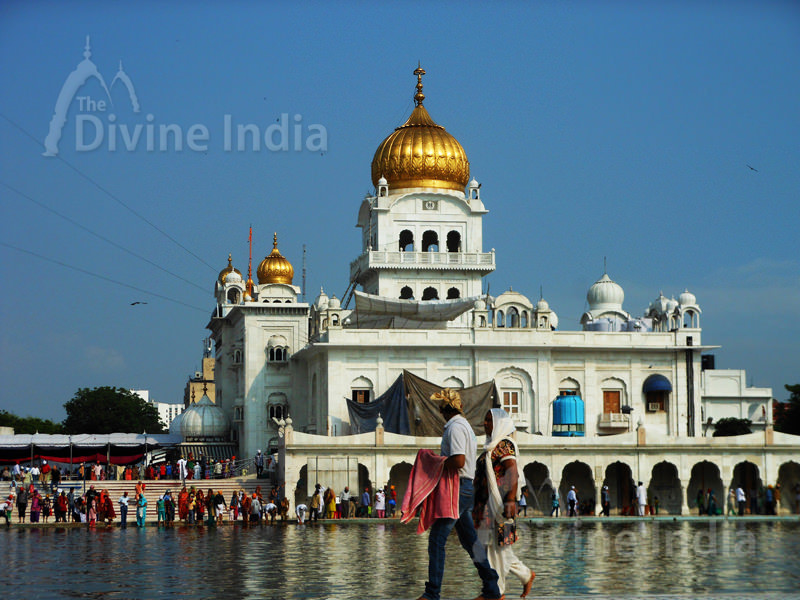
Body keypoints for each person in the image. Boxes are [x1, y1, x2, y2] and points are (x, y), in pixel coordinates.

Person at [415, 388, 502, 600]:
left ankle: (432, 593)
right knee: (470, 540)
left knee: (437, 539)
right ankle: (491, 588)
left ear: (445, 408)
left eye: (440, 406)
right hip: (464, 488)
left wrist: (434, 462)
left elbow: (458, 461)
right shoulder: (465, 426)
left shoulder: (454, 428)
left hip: (457, 488)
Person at [473, 408, 535, 598]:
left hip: (499, 504)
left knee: (495, 548)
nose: (485, 424)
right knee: (496, 548)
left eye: (489, 420)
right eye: (485, 420)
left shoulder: (504, 444)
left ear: (500, 423)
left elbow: (512, 471)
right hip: (485, 505)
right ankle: (526, 575)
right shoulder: (489, 447)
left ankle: (496, 592)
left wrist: (509, 500)